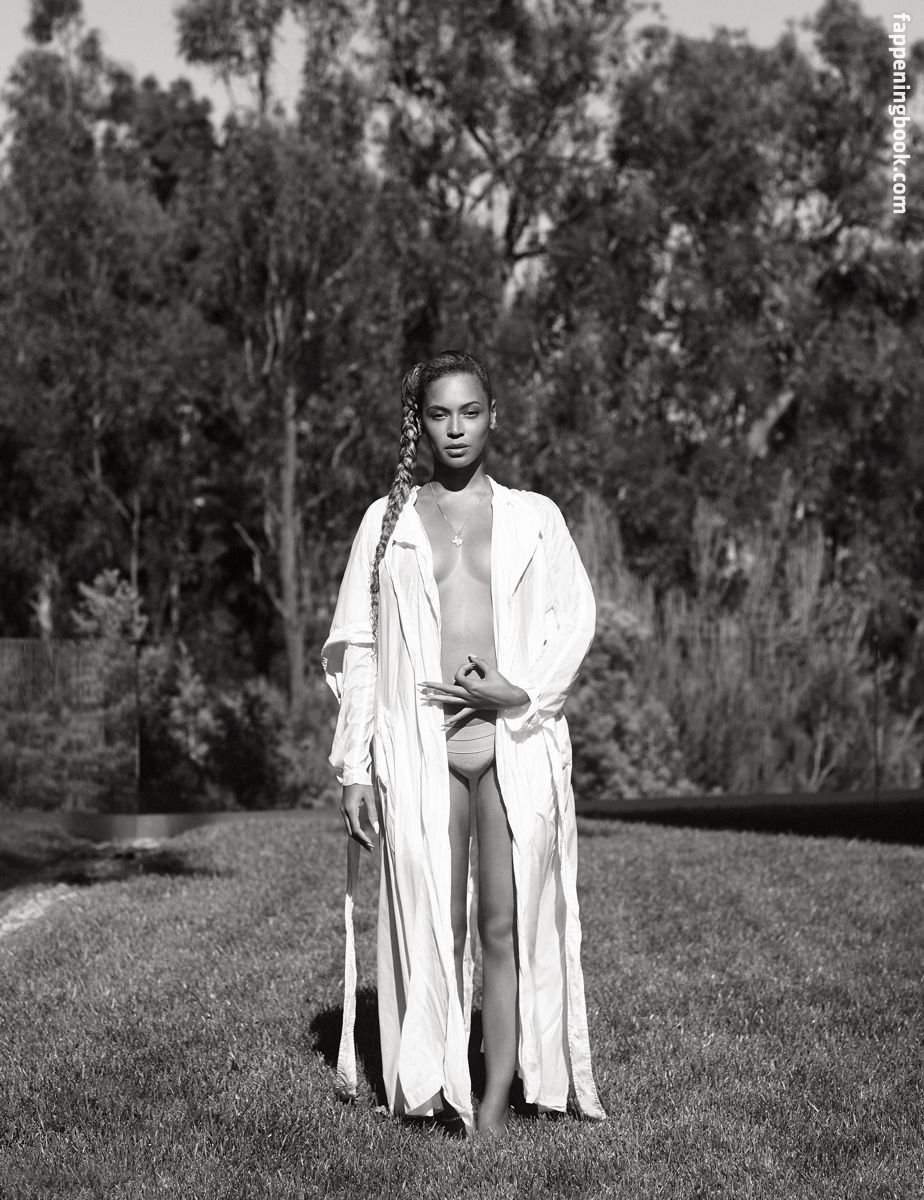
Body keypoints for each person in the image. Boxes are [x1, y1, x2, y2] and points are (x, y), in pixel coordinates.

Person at [321, 350, 606, 1137]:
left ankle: (495, 1101)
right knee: (434, 918)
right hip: (421, 748)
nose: (456, 428)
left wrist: (522, 691)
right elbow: (359, 646)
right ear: (420, 423)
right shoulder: (385, 523)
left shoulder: (535, 516)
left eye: (470, 412)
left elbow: (575, 618)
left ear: (492, 416)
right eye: (440, 414)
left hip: (513, 741)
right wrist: (354, 766)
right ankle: (438, 1083)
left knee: (506, 927)